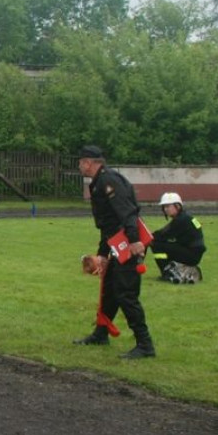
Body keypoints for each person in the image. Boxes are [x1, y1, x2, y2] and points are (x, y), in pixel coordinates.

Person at [73, 145, 155, 359]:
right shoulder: (98, 182)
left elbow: (127, 212)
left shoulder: (109, 181)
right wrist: (102, 254)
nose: (79, 165)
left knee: (126, 293)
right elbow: (107, 224)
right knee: (109, 289)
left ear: (89, 163)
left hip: (128, 243)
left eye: (80, 161)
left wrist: (135, 241)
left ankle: (145, 344)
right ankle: (101, 333)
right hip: (115, 242)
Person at [149, 192, 206, 284]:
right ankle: (186, 270)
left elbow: (163, 234)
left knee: (156, 245)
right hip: (193, 253)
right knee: (162, 244)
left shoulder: (181, 220)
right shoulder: (185, 217)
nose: (165, 209)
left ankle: (167, 273)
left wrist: (149, 237)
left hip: (191, 254)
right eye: (164, 207)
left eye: (168, 206)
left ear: (177, 206)